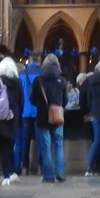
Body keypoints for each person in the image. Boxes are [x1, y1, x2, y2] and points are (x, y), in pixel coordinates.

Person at [30, 53, 68, 183]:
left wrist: (42, 105)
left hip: (42, 118)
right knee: (58, 145)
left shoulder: (38, 81)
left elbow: (32, 100)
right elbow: (66, 101)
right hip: (58, 118)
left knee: (46, 147)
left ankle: (48, 175)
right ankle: (61, 173)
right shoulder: (62, 80)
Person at [0, 57, 24, 186]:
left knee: (3, 147)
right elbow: (21, 101)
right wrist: (18, 113)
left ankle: (5, 175)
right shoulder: (18, 82)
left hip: (1, 115)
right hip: (14, 116)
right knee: (11, 146)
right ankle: (12, 172)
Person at [16, 53, 41, 175]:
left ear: (29, 60)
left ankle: (24, 166)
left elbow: (19, 93)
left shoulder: (21, 74)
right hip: (39, 110)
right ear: (39, 60)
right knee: (40, 139)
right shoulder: (42, 73)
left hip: (25, 111)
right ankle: (41, 165)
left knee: (25, 140)